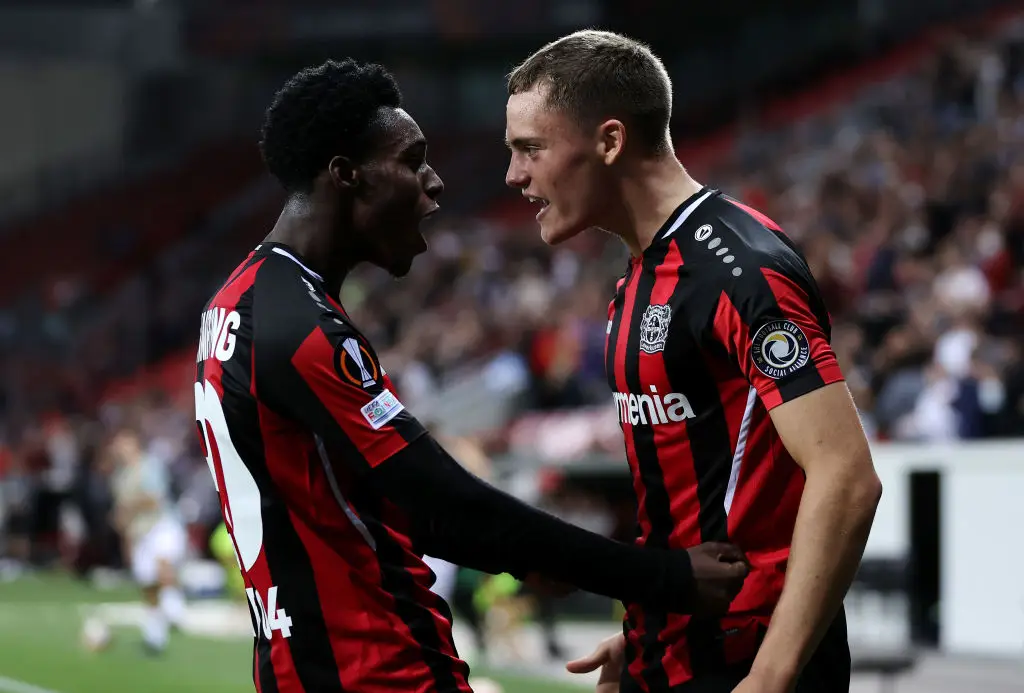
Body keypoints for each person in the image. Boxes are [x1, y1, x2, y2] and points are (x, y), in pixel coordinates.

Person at [195, 58, 750, 693]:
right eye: (411, 162)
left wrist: (529, 556)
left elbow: (415, 510)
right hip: (380, 673)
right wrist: (665, 579)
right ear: (346, 175)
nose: (433, 183)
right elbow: (439, 502)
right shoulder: (297, 328)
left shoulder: (236, 303)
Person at [503, 31, 883, 693]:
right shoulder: (640, 275)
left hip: (747, 658)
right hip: (673, 650)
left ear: (610, 141)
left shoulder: (740, 268)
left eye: (530, 148)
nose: (514, 175)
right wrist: (648, 632)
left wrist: (770, 675)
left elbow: (846, 475)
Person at [109, 427, 189, 654]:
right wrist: (125, 539)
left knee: (163, 564)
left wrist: (130, 505)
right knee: (148, 585)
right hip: (139, 533)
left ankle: (175, 611)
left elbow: (155, 500)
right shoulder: (119, 477)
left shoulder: (150, 466)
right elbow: (121, 514)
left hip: (161, 524)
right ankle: (155, 635)